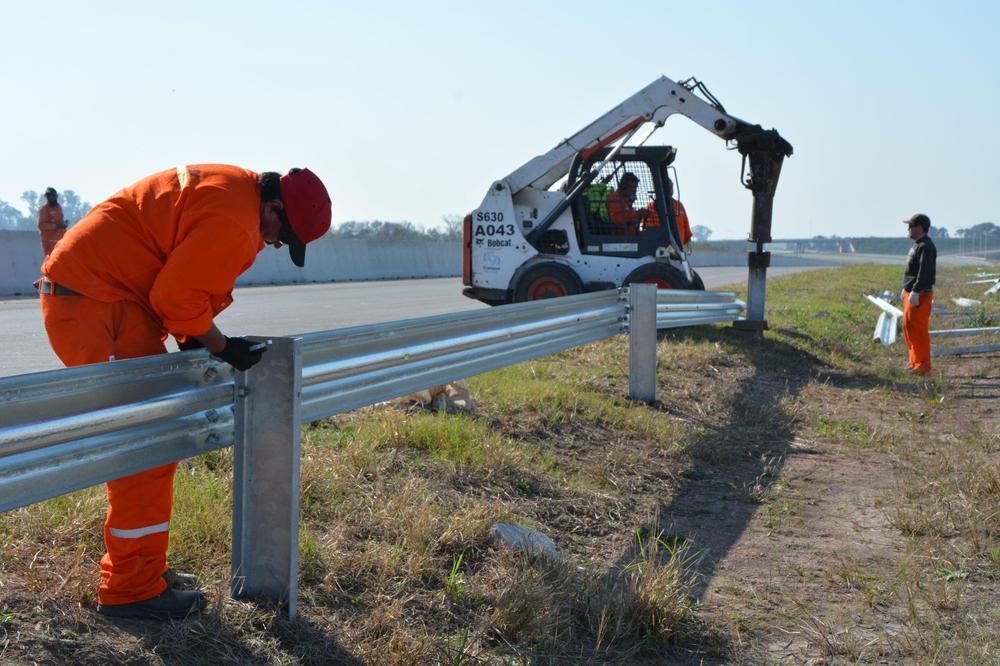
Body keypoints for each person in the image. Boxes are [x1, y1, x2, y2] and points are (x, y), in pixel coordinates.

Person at [38, 164, 332, 619]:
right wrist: (222, 346)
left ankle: (143, 571)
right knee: (145, 448)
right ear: (273, 207)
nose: (274, 244)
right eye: (279, 236)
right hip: (96, 305)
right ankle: (131, 591)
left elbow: (178, 277)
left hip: (109, 297)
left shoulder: (233, 188)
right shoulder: (236, 221)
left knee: (156, 444)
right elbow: (176, 298)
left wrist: (193, 333)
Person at [900, 213, 936, 376]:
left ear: (920, 228)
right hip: (912, 293)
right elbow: (913, 271)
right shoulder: (918, 245)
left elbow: (924, 273)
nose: (908, 229)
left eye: (911, 226)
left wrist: (915, 290)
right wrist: (906, 288)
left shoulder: (926, 247)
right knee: (909, 329)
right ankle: (915, 363)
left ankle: (922, 366)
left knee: (918, 330)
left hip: (920, 295)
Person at [37, 187, 67, 256]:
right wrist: (56, 226)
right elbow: (41, 225)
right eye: (48, 196)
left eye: (52, 195)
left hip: (60, 240)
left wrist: (64, 224)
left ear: (56, 196)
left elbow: (59, 221)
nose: (50, 197)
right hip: (49, 242)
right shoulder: (44, 209)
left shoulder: (58, 207)